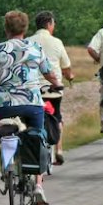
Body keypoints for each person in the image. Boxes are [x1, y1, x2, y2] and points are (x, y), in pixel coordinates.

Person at [0, 10, 62, 205]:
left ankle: (7, 167)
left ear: (6, 28)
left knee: (5, 129)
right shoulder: (34, 47)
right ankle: (38, 186)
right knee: (38, 135)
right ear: (25, 28)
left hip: (4, 105)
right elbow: (48, 73)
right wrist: (55, 83)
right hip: (31, 103)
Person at [29, 11, 74, 165]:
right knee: (57, 117)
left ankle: (33, 150)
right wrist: (69, 77)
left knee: (31, 120)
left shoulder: (28, 42)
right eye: (53, 24)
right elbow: (66, 67)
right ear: (49, 24)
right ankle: (59, 150)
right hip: (53, 89)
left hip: (34, 90)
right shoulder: (57, 42)